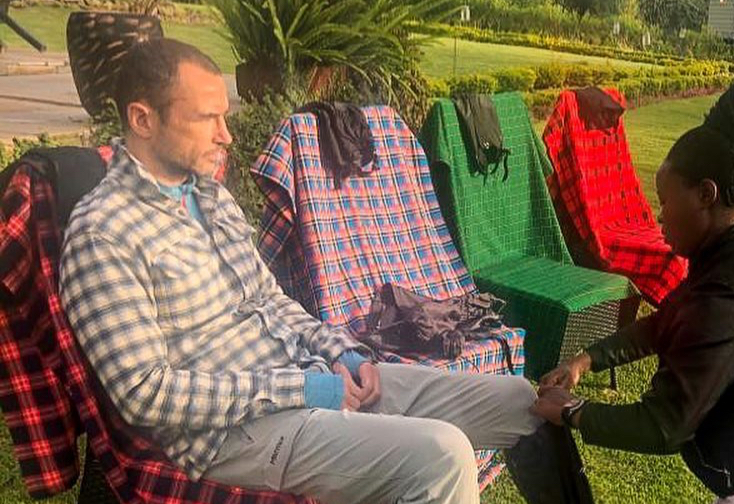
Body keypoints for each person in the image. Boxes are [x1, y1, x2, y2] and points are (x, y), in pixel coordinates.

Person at [59, 38, 562, 504]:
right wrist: (304, 389)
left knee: (519, 401)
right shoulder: (103, 234)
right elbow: (146, 394)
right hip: (233, 436)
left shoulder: (208, 198)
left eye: (224, 116)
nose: (226, 135)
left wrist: (343, 353)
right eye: (207, 118)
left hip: (309, 376)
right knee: (442, 456)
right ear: (142, 119)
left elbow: (269, 300)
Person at [532, 80, 734, 503]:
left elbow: (664, 426)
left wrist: (572, 410)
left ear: (706, 194)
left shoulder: (730, 297)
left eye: (665, 201)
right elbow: (669, 322)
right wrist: (586, 360)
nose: (659, 216)